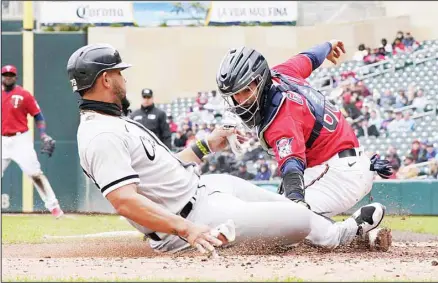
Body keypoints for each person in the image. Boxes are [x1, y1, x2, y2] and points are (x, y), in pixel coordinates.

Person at [67, 43, 391, 255]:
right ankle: (346, 236)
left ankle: (328, 233)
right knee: (297, 216)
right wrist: (188, 229)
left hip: (204, 190)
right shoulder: (101, 135)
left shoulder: (115, 122)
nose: (125, 79)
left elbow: (164, 170)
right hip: (192, 215)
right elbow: (124, 200)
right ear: (106, 79)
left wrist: (209, 144)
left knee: (288, 207)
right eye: (120, 73)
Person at [216, 40, 392, 224]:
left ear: (260, 81)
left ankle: (355, 229)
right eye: (236, 94)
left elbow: (292, 165)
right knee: (277, 215)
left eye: (246, 90)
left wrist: (295, 200)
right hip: (341, 166)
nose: (241, 100)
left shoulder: (281, 117)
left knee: (283, 224)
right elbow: (310, 57)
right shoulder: (283, 73)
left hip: (339, 175)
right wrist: (329, 45)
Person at [1, 64, 64, 218]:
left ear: (16, 77)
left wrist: (43, 135)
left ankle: (54, 207)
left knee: (35, 173)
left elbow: (38, 115)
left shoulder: (24, 95)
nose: (8, 77)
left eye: (11, 74)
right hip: (2, 140)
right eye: (5, 74)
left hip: (20, 139)